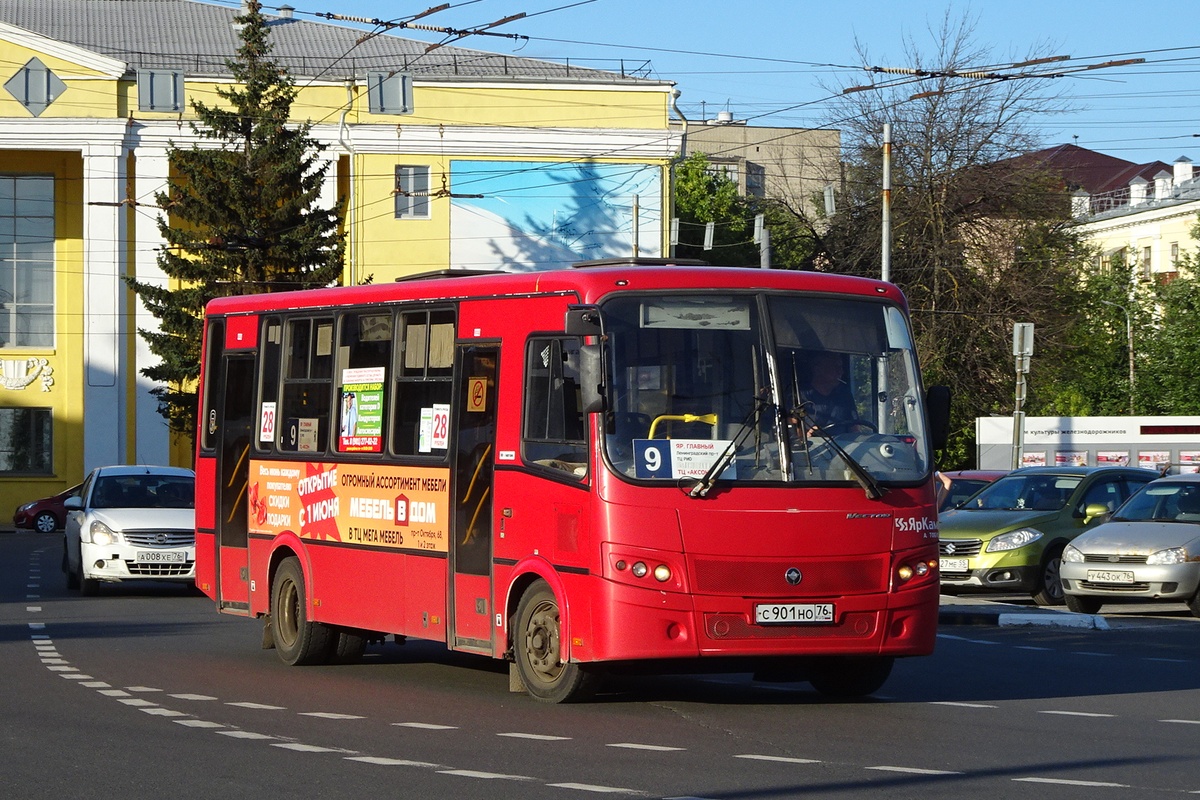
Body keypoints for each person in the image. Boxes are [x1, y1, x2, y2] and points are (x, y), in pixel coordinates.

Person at [792, 350, 859, 434]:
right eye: (835, 367)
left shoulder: (844, 394)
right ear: (818, 369)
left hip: (842, 446)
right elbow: (794, 423)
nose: (840, 372)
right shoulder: (800, 395)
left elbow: (854, 428)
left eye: (841, 367)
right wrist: (808, 435)